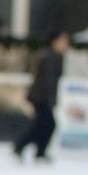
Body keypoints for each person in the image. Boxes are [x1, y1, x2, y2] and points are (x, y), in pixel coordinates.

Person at [12, 29, 68, 161]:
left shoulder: (53, 56)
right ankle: (24, 146)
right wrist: (50, 100)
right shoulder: (51, 57)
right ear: (55, 41)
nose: (66, 44)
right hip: (41, 98)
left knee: (43, 124)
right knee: (47, 124)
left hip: (41, 97)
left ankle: (34, 150)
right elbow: (48, 81)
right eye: (63, 41)